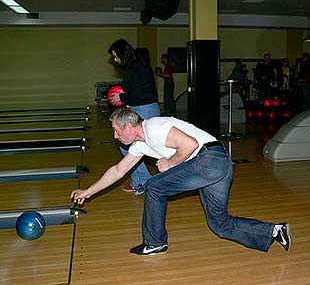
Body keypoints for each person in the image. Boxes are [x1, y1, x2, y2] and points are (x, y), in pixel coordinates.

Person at [71, 107, 292, 256]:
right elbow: (118, 170)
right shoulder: (140, 144)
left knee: (154, 186)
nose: (116, 136)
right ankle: (274, 231)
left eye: (117, 131)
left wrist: (170, 163)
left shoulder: (155, 126)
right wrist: (88, 191)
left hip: (208, 159)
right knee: (219, 225)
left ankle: (155, 242)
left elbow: (190, 144)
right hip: (217, 165)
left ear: (129, 127)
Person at [107, 39, 160, 195]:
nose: (116, 60)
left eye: (116, 57)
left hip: (145, 109)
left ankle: (143, 181)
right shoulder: (136, 67)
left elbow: (141, 93)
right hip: (142, 108)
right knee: (133, 146)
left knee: (130, 146)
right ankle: (142, 180)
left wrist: (121, 98)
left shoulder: (137, 68)